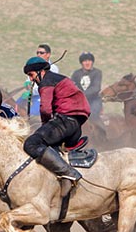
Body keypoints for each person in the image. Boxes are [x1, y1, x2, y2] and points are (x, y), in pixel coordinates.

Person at [22, 56, 90, 193]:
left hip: (64, 122)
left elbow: (45, 109)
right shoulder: (59, 78)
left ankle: (69, 174)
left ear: (41, 71)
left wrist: (44, 125)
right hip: (75, 125)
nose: (31, 79)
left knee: (31, 144)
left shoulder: (47, 82)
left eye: (31, 75)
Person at [71, 52, 102, 119]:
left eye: (89, 61)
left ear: (92, 62)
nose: (87, 63)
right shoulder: (76, 73)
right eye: (85, 61)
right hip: (79, 100)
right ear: (81, 63)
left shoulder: (97, 73)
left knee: (93, 115)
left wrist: (81, 94)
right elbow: (72, 86)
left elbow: (96, 88)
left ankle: (100, 129)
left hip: (93, 100)